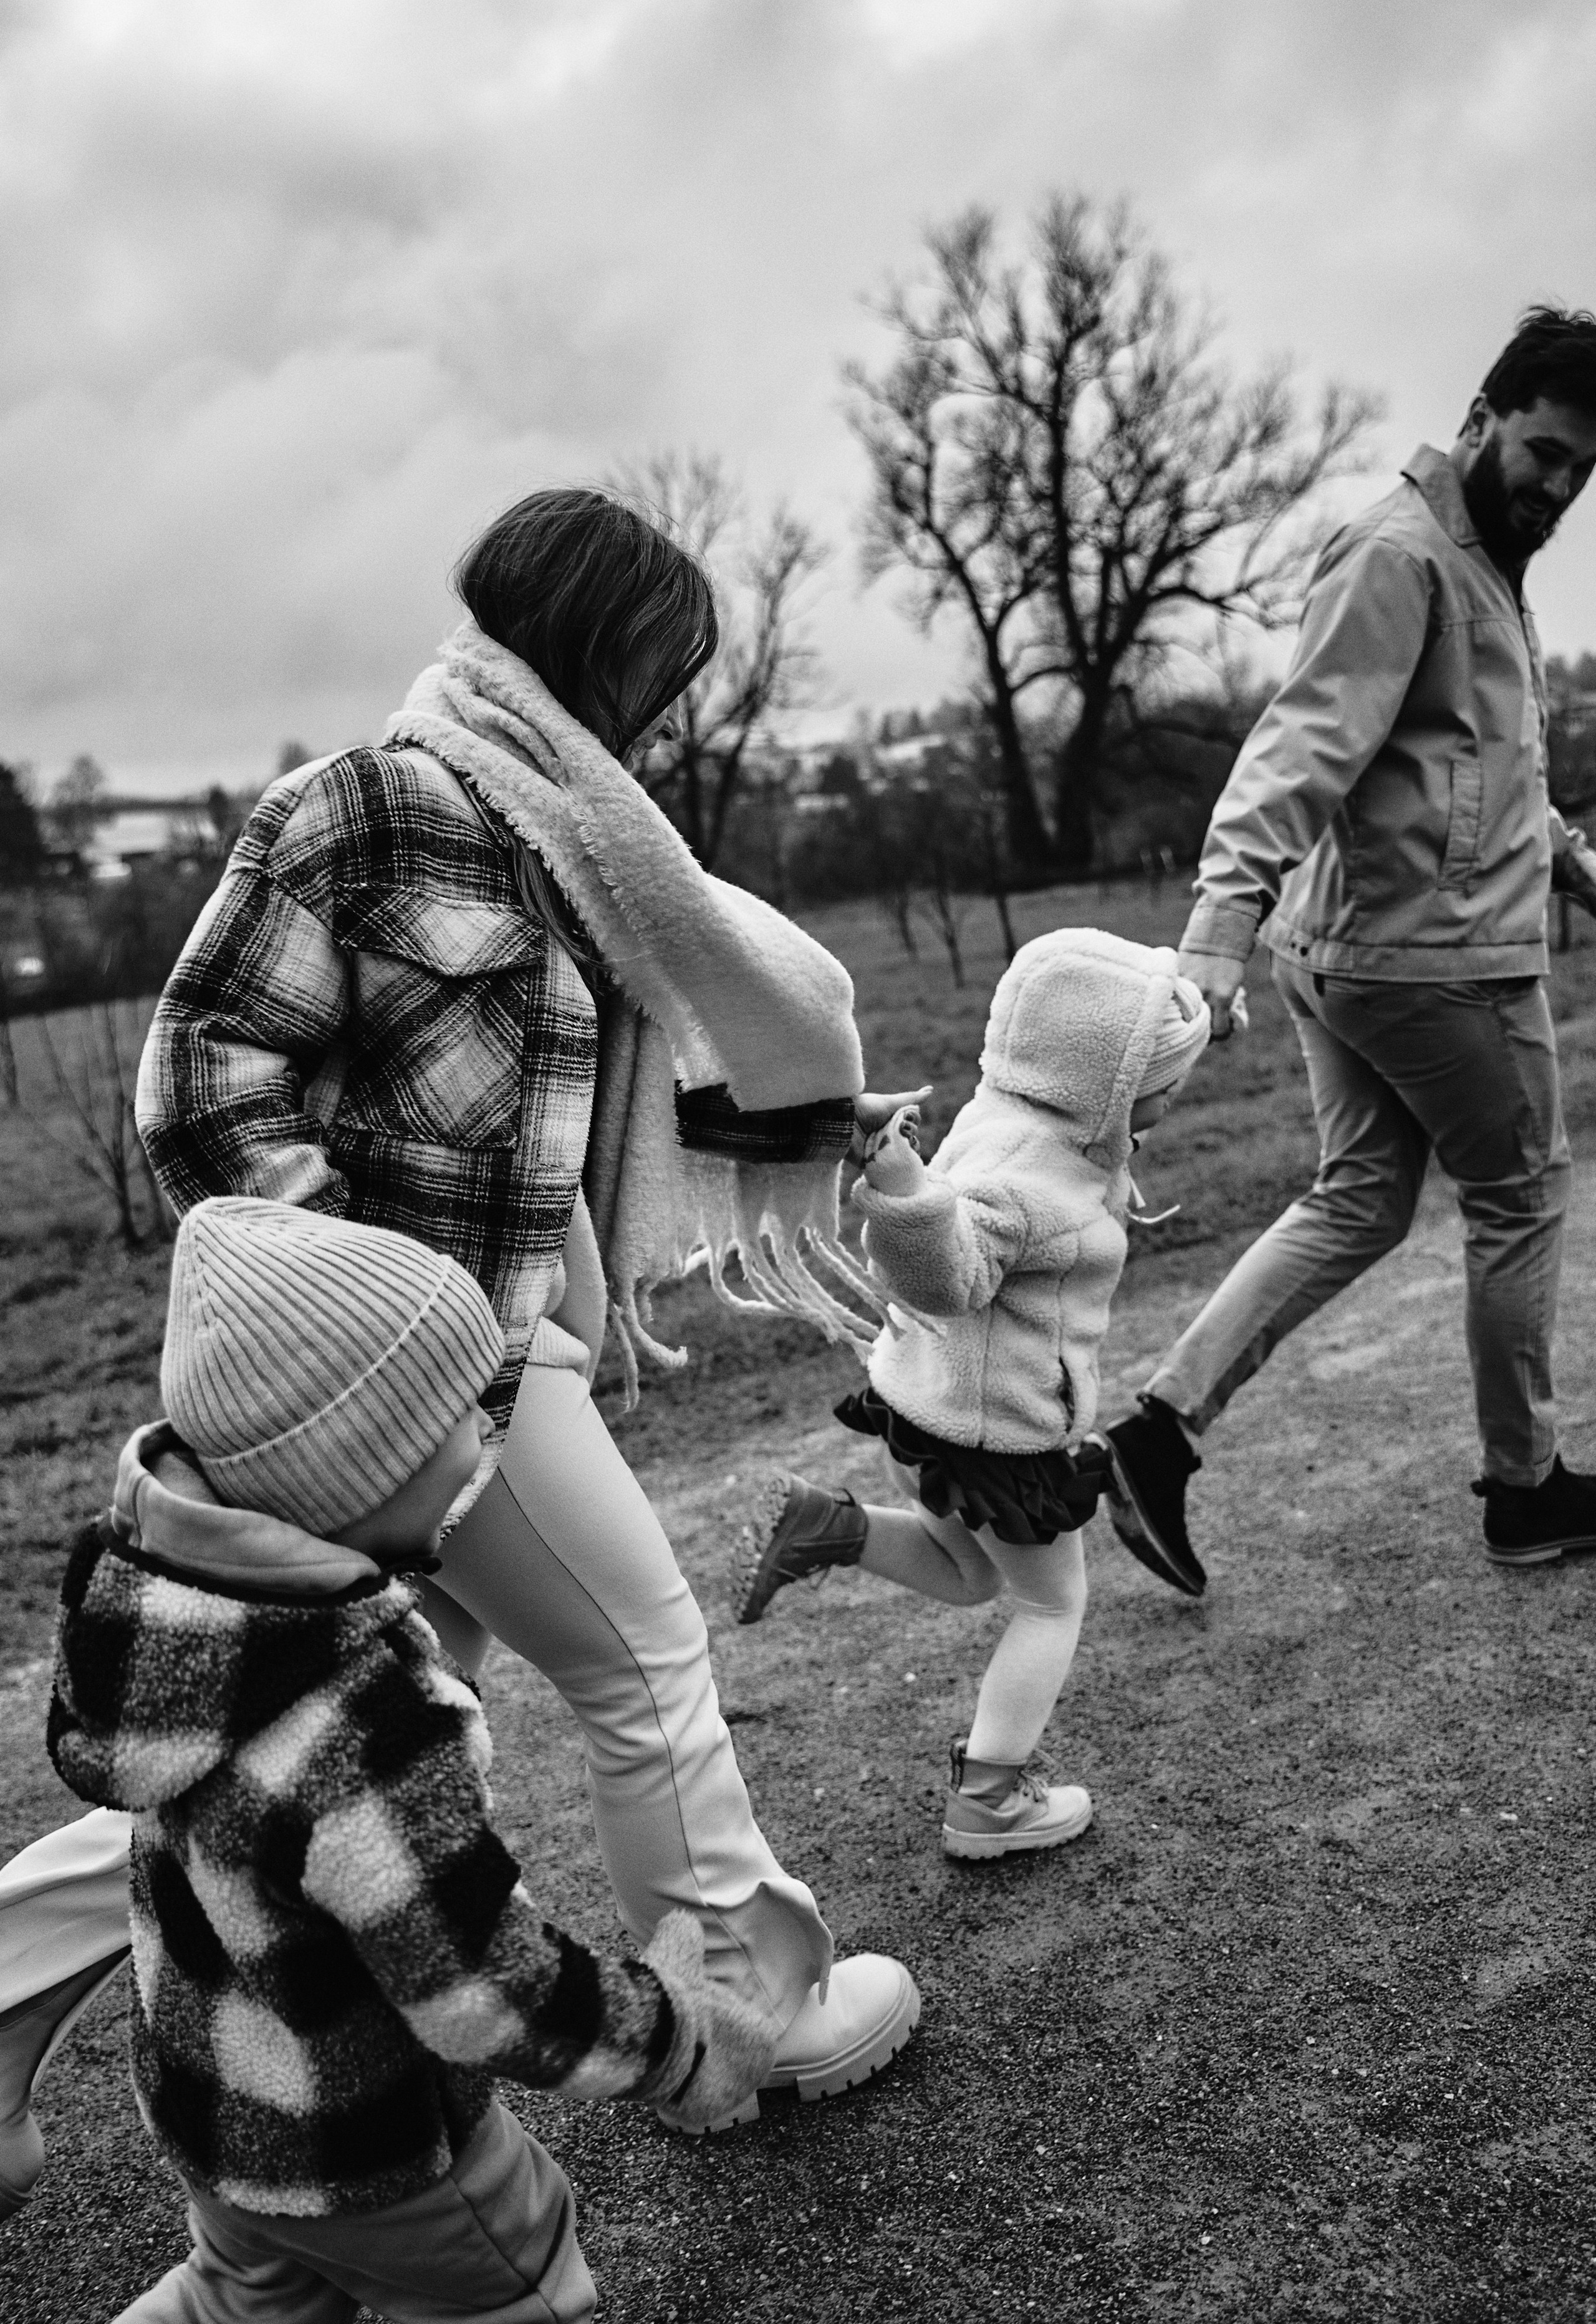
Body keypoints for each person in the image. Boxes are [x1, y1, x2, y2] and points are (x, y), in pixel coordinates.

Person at [0, 489, 920, 2218]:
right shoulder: (364, 809)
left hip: (508, 1336)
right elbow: (199, 1082)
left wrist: (816, 1125)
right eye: (659, 665)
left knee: (304, 1733)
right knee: (645, 1663)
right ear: (591, 640)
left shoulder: (572, 837)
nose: (668, 707)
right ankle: (749, 2024)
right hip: (438, 1369)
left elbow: (602, 1089)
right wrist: (370, 1319)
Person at [54, 1198, 779, 2323]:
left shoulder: (179, 1633)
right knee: (520, 2282)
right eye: (458, 1413)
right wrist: (674, 2036)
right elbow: (481, 1990)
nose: (488, 1434)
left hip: (220, 2125)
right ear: (361, 1466)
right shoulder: (360, 1718)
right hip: (377, 2156)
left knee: (235, 2302)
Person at [1099, 307, 1596, 1598]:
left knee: (1362, 1196)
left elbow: (1454, 755)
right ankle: (1525, 1487)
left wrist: (1563, 856)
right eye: (1544, 453)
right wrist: (1216, 931)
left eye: (1581, 471)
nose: (1557, 488)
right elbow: (1301, 745)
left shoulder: (1474, 559)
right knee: (1519, 1195)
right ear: (1480, 419)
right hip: (1435, 959)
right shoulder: (1403, 554)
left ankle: (1155, 1432)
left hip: (1357, 947)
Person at [727, 932, 1209, 1858]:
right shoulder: (1028, 1177)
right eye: (1163, 1084)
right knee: (1052, 1605)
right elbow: (944, 1276)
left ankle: (826, 1526)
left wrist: (1199, 1013)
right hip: (992, 1437)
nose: (1172, 1101)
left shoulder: (1028, 1114)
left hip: (931, 1411)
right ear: (1104, 1080)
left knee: (972, 1574)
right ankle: (990, 1800)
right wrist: (902, 1193)